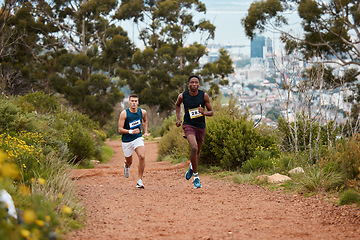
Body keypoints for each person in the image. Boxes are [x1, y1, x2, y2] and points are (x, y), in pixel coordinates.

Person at [175, 75, 213, 188]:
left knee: (197, 152)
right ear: (188, 84)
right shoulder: (183, 96)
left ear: (199, 85)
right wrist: (178, 119)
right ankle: (196, 177)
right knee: (194, 147)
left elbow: (211, 112)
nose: (194, 84)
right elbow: (177, 105)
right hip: (188, 125)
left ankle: (192, 167)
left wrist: (204, 113)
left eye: (196, 82)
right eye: (192, 82)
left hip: (201, 126)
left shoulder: (204, 95)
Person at [118, 94, 149, 188]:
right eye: (132, 101)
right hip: (127, 140)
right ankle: (126, 165)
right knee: (129, 161)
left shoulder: (142, 112)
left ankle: (140, 180)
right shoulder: (124, 113)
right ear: (129, 102)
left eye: (135, 101)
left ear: (138, 102)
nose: (134, 103)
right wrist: (131, 131)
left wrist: (146, 132)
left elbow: (145, 121)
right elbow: (120, 129)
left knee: (142, 156)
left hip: (138, 138)